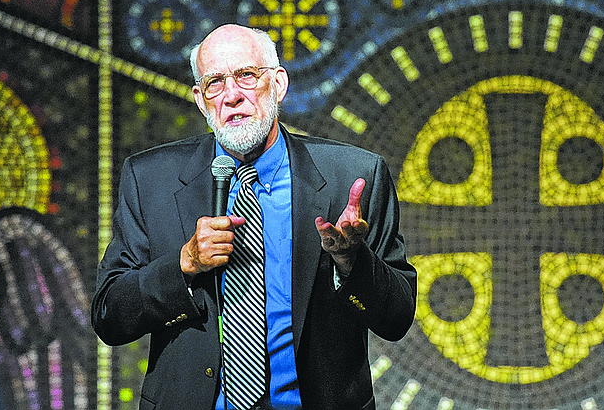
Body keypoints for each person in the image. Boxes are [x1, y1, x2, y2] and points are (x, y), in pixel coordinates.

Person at [92, 24, 417, 410]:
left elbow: (396, 319)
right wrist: (185, 264)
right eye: (215, 82)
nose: (231, 95)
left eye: (246, 75)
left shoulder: (353, 177)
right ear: (200, 99)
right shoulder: (151, 179)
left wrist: (351, 262)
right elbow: (110, 315)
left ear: (278, 84)